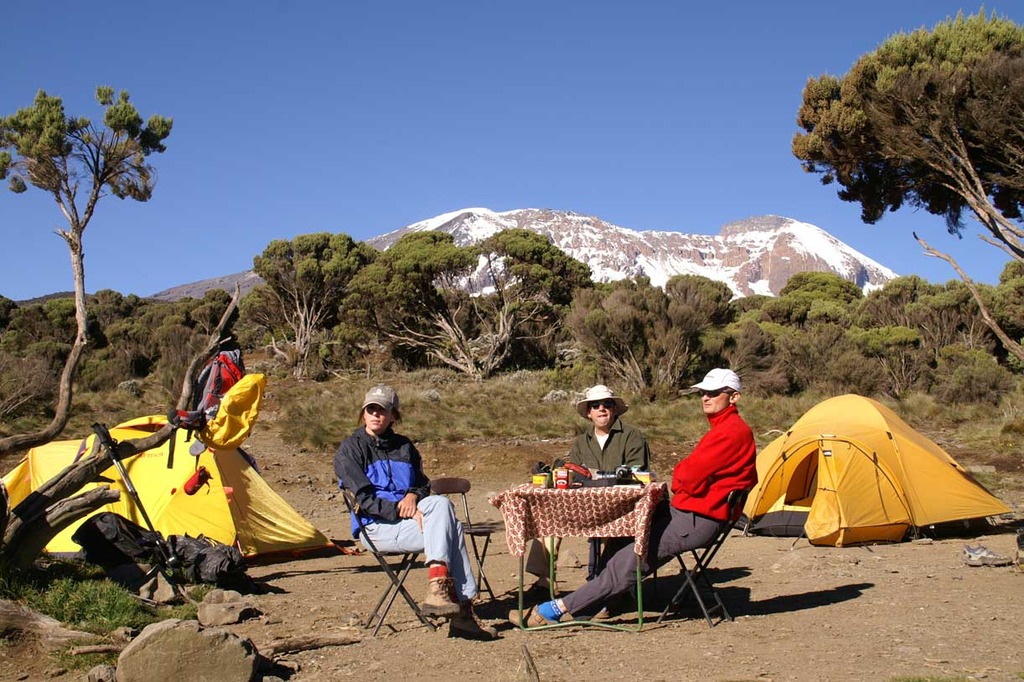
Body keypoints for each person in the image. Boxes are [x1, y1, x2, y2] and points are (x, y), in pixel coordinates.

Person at [511, 368, 757, 626]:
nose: (706, 397)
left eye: (714, 392)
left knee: (629, 559)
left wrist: (683, 478)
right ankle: (595, 602)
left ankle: (552, 610)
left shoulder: (729, 432)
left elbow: (685, 477)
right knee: (623, 534)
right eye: (703, 392)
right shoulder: (725, 429)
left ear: (734, 397)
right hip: (691, 513)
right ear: (588, 412)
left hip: (696, 519)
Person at [334, 384, 497, 639]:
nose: (376, 414)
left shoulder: (404, 446)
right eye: (370, 409)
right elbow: (363, 500)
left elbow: (422, 484)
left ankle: (439, 588)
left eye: (382, 410)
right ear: (363, 413)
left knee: (441, 506)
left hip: (410, 522)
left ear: (393, 415)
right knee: (451, 529)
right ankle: (462, 610)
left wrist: (412, 495)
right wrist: (404, 511)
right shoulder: (350, 450)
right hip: (375, 527)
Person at [525, 385, 651, 588]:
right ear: (589, 413)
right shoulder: (581, 443)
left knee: (610, 532)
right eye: (595, 405)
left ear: (614, 409)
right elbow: (574, 477)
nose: (601, 408)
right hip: (584, 506)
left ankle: (608, 584)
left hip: (621, 508)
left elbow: (637, 476)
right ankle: (544, 581)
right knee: (549, 518)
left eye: (607, 404)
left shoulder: (632, 436)